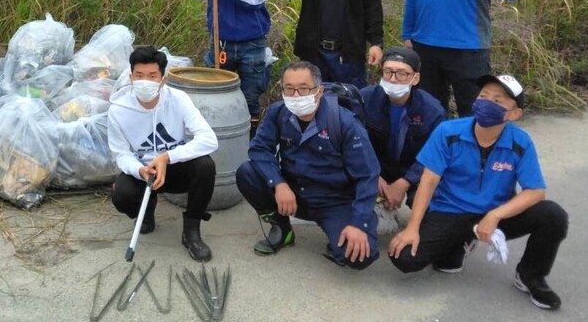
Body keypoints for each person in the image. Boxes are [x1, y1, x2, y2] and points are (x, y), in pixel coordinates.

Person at [389, 75, 568, 311]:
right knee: (405, 258)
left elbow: (535, 192)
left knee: (553, 215)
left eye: (497, 100)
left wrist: (495, 215)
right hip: (450, 210)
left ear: (514, 114)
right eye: (483, 96)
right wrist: (412, 228)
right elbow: (428, 182)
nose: (486, 103)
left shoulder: (520, 142)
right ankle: (461, 241)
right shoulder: (448, 131)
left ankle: (530, 276)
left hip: (495, 213)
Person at [236, 61, 380, 269]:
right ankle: (281, 227)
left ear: (319, 91)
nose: (296, 95)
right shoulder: (279, 113)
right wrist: (279, 184)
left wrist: (359, 223)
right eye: (289, 88)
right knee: (247, 172)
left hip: (334, 200)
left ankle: (344, 229)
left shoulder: (345, 122)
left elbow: (368, 175)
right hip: (294, 194)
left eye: (304, 88)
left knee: (358, 257)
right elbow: (259, 149)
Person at [107, 46, 218, 261]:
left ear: (163, 79)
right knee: (121, 194)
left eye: (152, 76)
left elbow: (208, 139)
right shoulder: (118, 110)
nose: (145, 82)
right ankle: (145, 211)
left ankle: (191, 231)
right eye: (139, 76)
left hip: (175, 168)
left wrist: (167, 157)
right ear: (131, 77)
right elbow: (120, 154)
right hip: (145, 172)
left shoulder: (178, 99)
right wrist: (139, 170)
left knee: (205, 166)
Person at [192, 0, 273, 131]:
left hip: (252, 42)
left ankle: (250, 141)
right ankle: (217, 137)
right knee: (217, 93)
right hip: (221, 42)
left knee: (250, 97)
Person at [359, 47, 445, 216]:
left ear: (415, 78)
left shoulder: (433, 111)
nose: (393, 79)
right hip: (376, 168)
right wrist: (373, 174)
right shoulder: (364, 99)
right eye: (388, 72)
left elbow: (436, 154)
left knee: (435, 200)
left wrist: (404, 183)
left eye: (402, 73)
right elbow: (353, 143)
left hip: (413, 170)